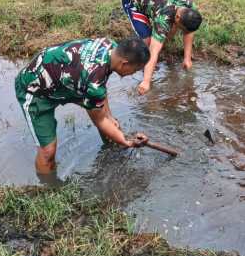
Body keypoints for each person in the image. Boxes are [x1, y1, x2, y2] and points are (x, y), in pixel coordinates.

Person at [15, 37, 150, 176]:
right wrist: (126, 140)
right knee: (47, 151)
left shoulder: (111, 47)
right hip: (35, 90)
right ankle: (47, 188)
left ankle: (113, 154)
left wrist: (109, 116)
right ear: (124, 64)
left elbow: (99, 84)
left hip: (68, 81)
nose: (133, 73)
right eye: (135, 70)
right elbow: (99, 117)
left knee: (111, 123)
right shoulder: (93, 81)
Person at [122, 0, 202, 95]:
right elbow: (153, 53)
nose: (184, 32)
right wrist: (146, 82)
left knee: (167, 33)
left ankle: (160, 49)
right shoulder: (164, 19)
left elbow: (188, 31)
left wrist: (187, 58)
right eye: (183, 29)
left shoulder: (190, 7)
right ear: (178, 17)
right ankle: (144, 66)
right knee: (148, 41)